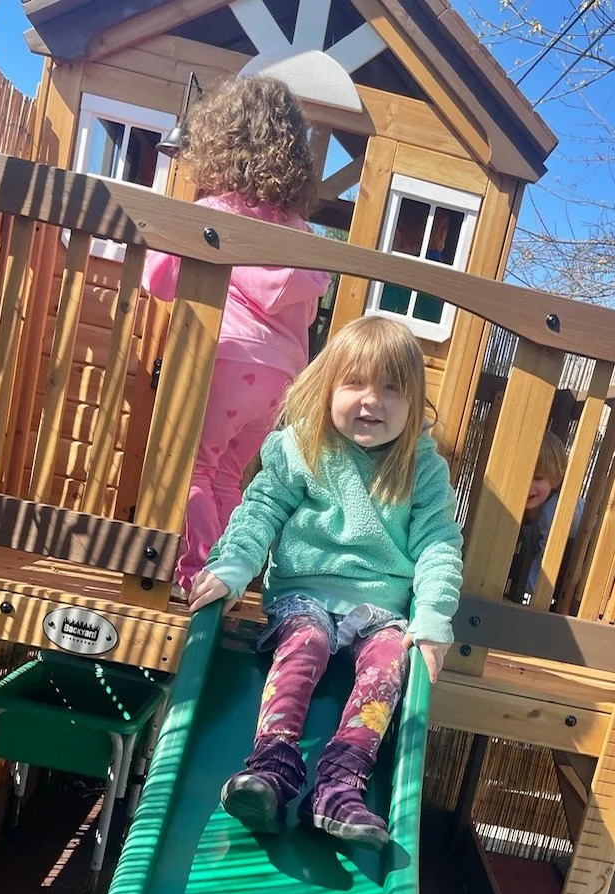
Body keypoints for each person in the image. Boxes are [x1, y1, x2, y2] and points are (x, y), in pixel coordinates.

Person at [189, 316, 464, 849]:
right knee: (306, 641)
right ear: (328, 386)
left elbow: (437, 545)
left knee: (390, 661)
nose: (372, 401)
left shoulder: (421, 467)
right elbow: (259, 512)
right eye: (355, 383)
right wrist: (233, 567)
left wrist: (432, 619)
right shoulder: (302, 447)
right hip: (305, 595)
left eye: (391, 388)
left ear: (413, 403)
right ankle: (272, 767)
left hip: (381, 609)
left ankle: (339, 785)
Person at [143, 75, 331, 594]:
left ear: (221, 143)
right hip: (279, 379)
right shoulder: (302, 236)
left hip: (225, 360)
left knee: (192, 470)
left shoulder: (217, 216)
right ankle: (226, 574)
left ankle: (193, 577)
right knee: (227, 475)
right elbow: (306, 310)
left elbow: (158, 280)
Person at [510, 432, 585, 603]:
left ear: (555, 480)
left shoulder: (553, 512)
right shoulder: (527, 509)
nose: (529, 487)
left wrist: (528, 590)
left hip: (594, 550)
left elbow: (547, 559)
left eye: (537, 478)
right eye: (524, 477)